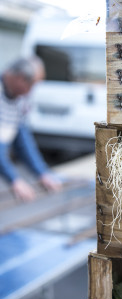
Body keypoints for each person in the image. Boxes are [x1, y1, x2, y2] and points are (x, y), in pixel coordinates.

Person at [0, 56, 62, 202]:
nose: (31, 91)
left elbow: (22, 140)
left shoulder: (19, 99)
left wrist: (42, 173)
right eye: (32, 84)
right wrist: (15, 179)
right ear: (20, 78)